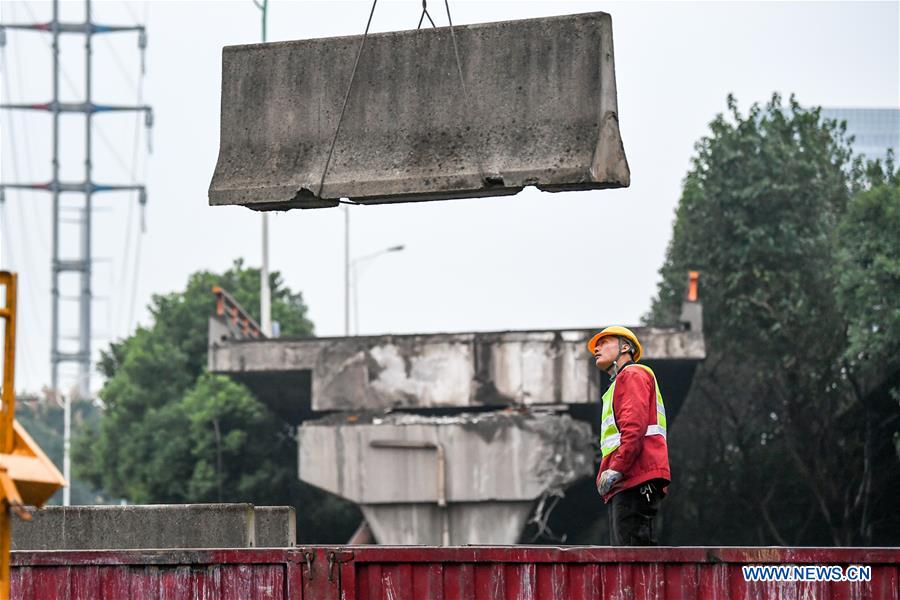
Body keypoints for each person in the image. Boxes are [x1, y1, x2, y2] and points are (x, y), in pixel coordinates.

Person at [587, 326, 670, 546]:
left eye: (604, 342)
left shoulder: (632, 374)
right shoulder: (619, 383)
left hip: (634, 478)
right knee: (627, 560)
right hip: (628, 480)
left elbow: (634, 428)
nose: (597, 348)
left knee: (632, 562)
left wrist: (617, 468)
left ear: (625, 347)